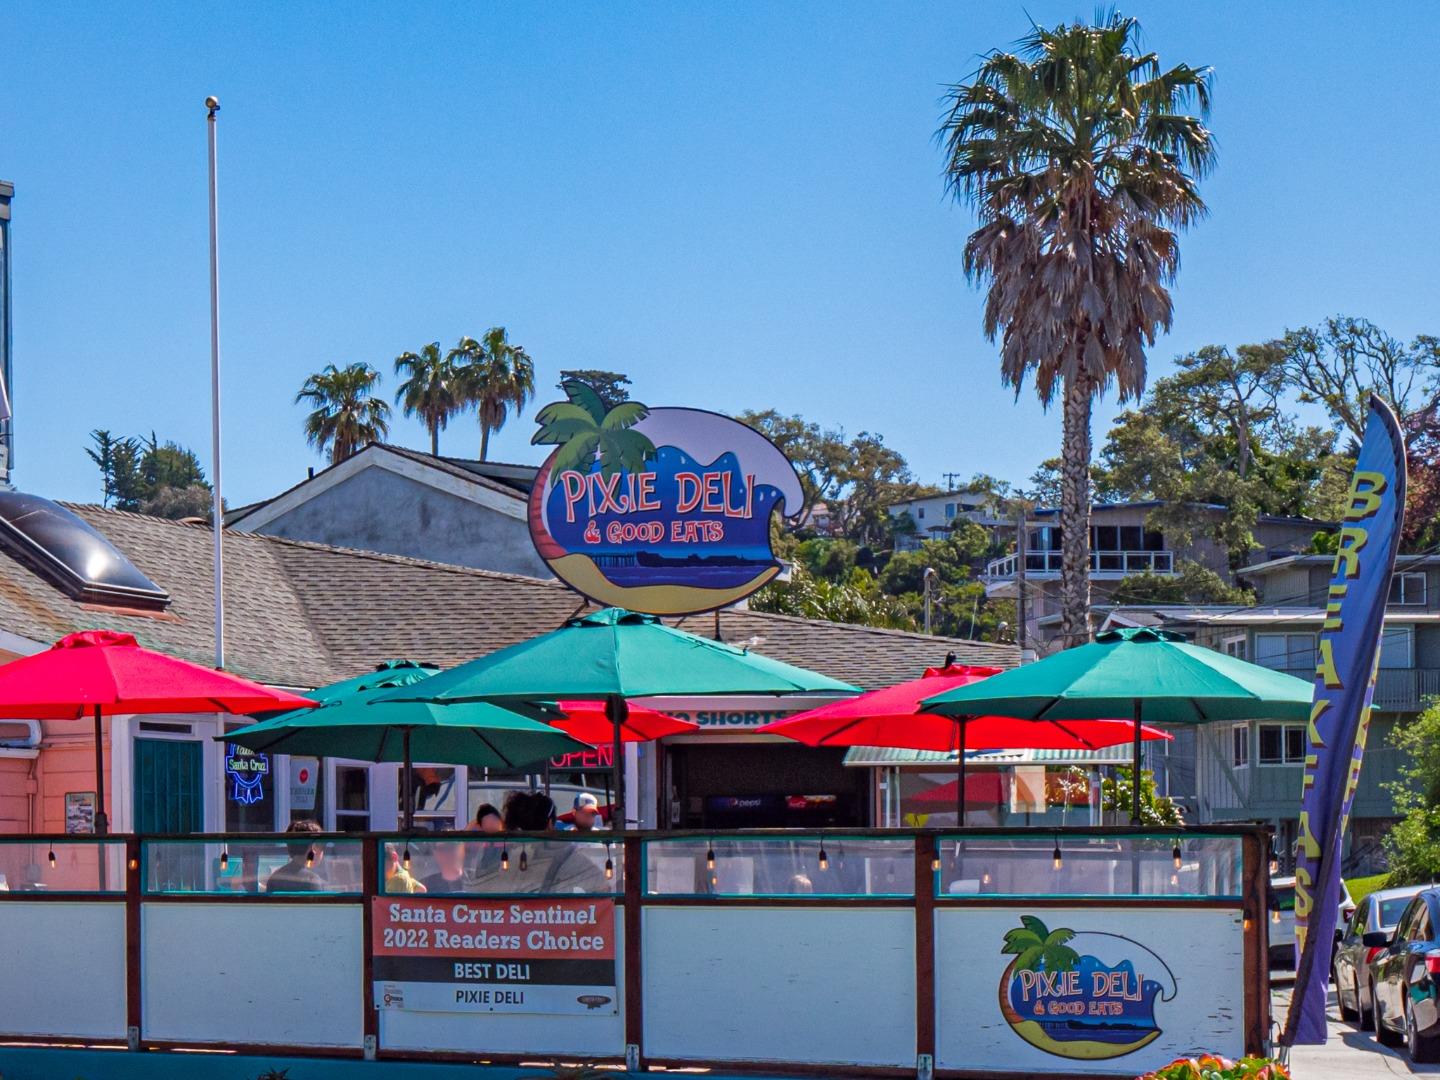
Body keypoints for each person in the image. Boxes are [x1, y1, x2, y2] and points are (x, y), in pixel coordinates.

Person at [265, 820, 325, 893]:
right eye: (322, 845)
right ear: (313, 847)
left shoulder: (275, 878)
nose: (323, 852)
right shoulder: (312, 880)